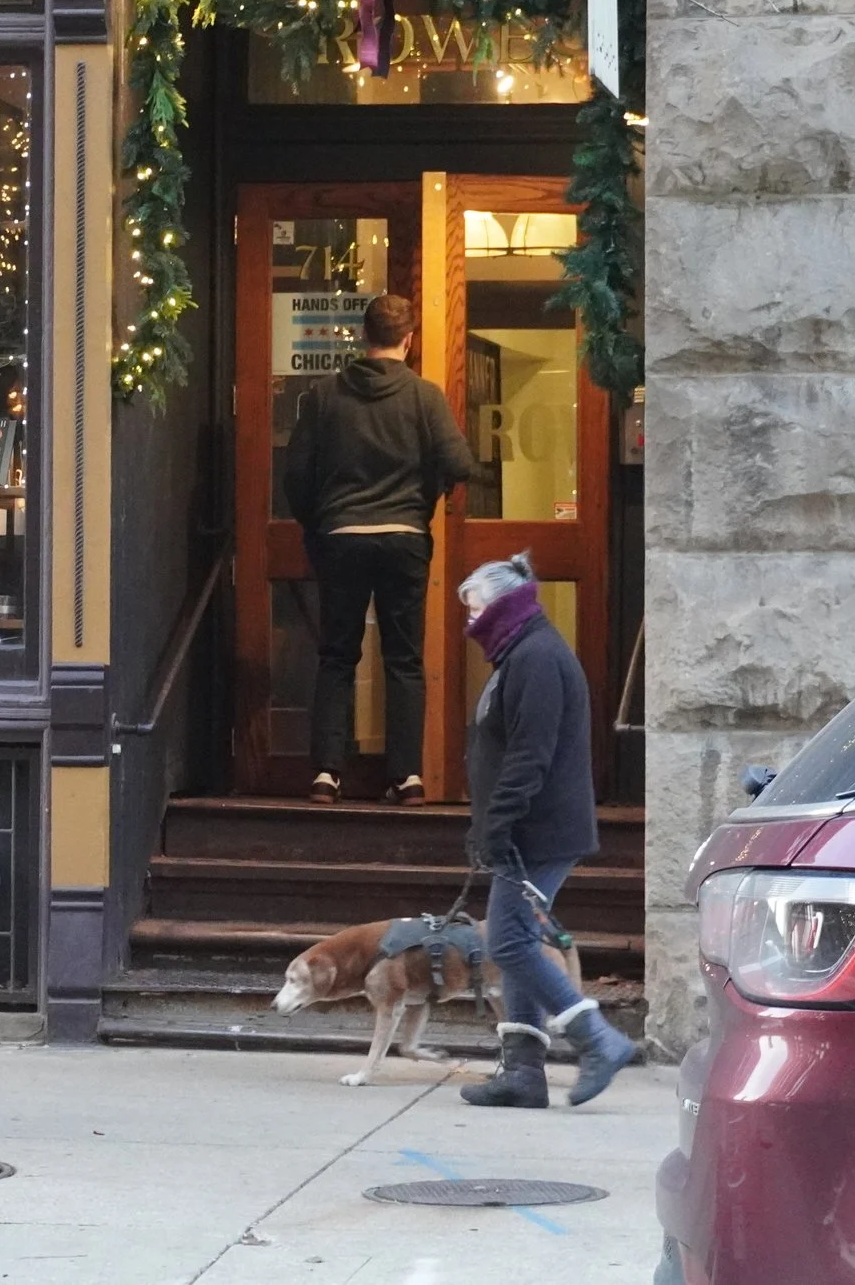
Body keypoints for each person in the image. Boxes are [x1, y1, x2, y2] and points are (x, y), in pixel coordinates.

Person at [281, 292, 483, 806]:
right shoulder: (424, 397)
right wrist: (427, 495)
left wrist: (319, 523)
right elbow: (460, 464)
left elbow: (296, 476)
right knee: (404, 658)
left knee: (337, 655)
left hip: (342, 538)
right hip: (404, 538)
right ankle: (407, 776)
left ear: (363, 335)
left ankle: (327, 773)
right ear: (409, 340)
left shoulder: (325, 396)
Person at [455, 552, 639, 1108]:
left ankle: (597, 1039)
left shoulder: (535, 658)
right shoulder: (523, 652)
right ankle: (523, 1073)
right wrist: (490, 825)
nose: (471, 623)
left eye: (476, 608)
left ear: (503, 604)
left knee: (508, 942)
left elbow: (531, 757)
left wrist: (497, 825)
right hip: (525, 830)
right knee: (517, 939)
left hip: (537, 832)